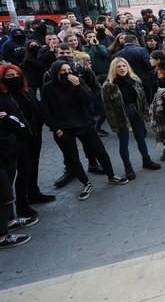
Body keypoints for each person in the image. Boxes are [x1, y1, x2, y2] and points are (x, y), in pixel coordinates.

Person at [42, 61, 128, 201]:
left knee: (100, 152)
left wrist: (78, 86)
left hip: (84, 123)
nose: (66, 73)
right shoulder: (48, 88)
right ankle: (86, 183)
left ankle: (111, 175)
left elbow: (89, 99)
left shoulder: (78, 81)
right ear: (55, 72)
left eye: (69, 69)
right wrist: (56, 128)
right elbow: (46, 111)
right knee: (73, 158)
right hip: (64, 128)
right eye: (62, 71)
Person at [0, 65, 54, 211]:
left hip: (35, 135)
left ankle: (34, 193)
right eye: (9, 76)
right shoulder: (2, 98)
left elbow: (38, 108)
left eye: (16, 75)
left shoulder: (27, 91)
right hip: (17, 139)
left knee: (34, 166)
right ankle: (22, 204)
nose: (14, 78)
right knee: (24, 170)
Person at [102, 58, 161, 180]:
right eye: (119, 66)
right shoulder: (108, 86)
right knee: (124, 143)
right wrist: (114, 123)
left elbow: (142, 98)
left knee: (141, 139)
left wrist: (146, 112)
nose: (122, 68)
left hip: (135, 112)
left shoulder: (135, 80)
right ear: (114, 69)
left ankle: (146, 160)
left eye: (124, 66)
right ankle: (128, 168)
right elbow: (108, 107)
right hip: (121, 116)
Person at [0, 94, 33, 249]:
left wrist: (6, 117)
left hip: (7, 150)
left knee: (7, 191)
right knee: (4, 194)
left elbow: (17, 120)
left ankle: (10, 221)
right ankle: (2, 236)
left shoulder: (4, 97)